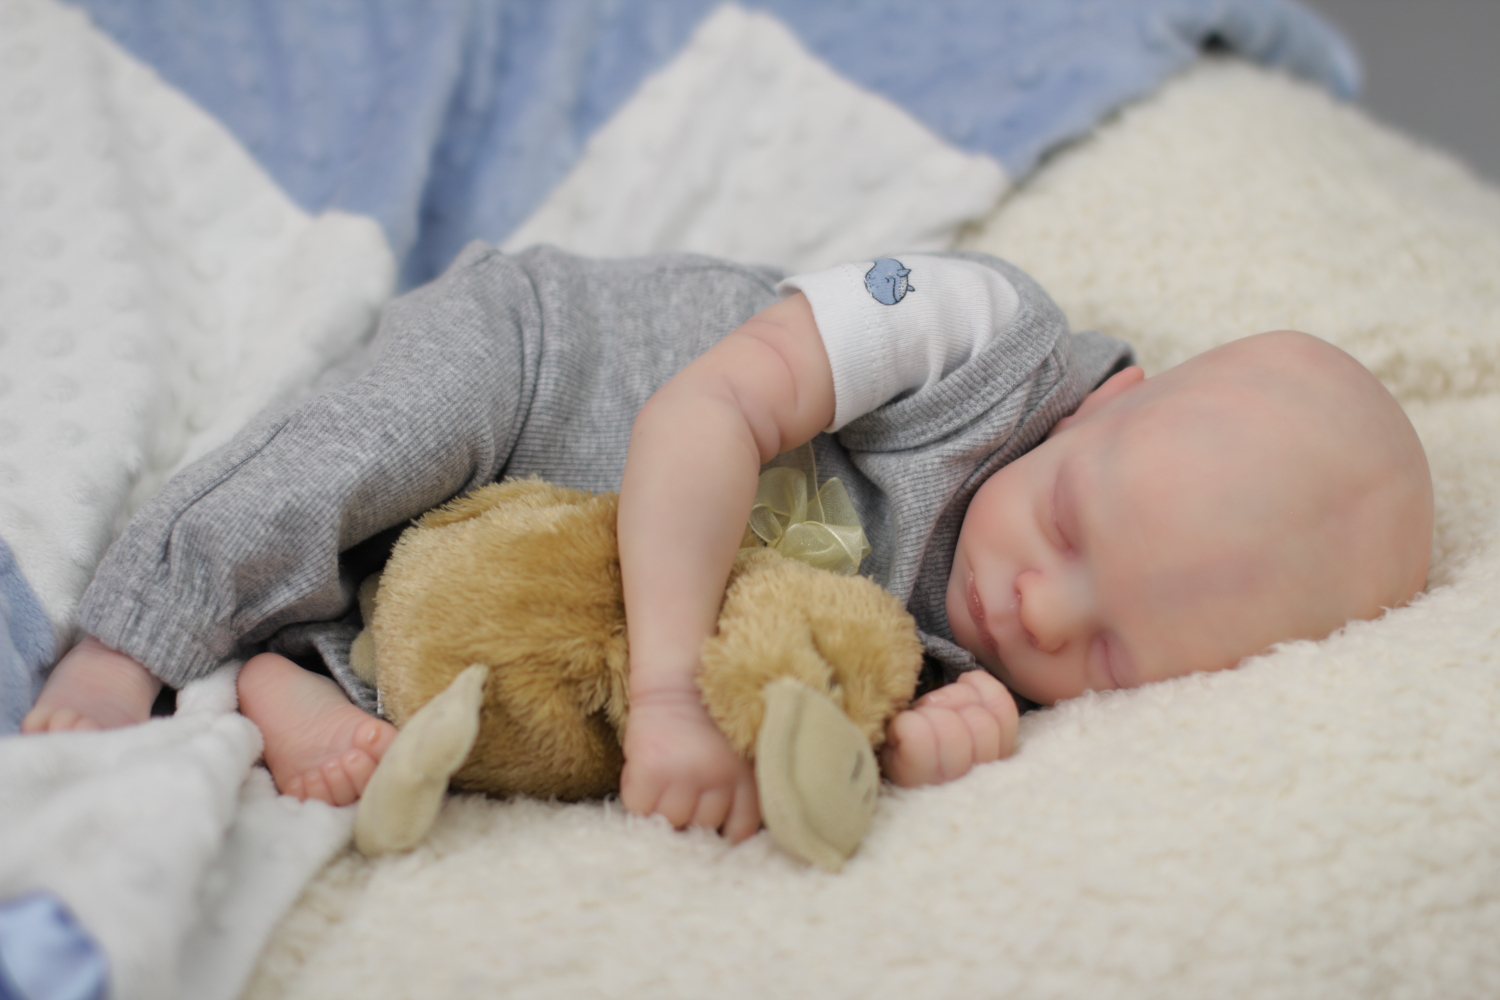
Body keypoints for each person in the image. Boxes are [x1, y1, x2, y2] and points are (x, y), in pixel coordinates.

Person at [20, 246, 1433, 847]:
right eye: (1067, 526)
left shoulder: (987, 660)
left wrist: (919, 743)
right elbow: (711, 407)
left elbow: (818, 684)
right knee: (359, 454)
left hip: (555, 558)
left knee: (517, 658)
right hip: (542, 379)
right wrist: (673, 694)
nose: (1039, 610)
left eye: (1116, 648)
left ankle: (286, 672)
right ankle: (139, 631)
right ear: (1111, 402)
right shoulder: (977, 330)